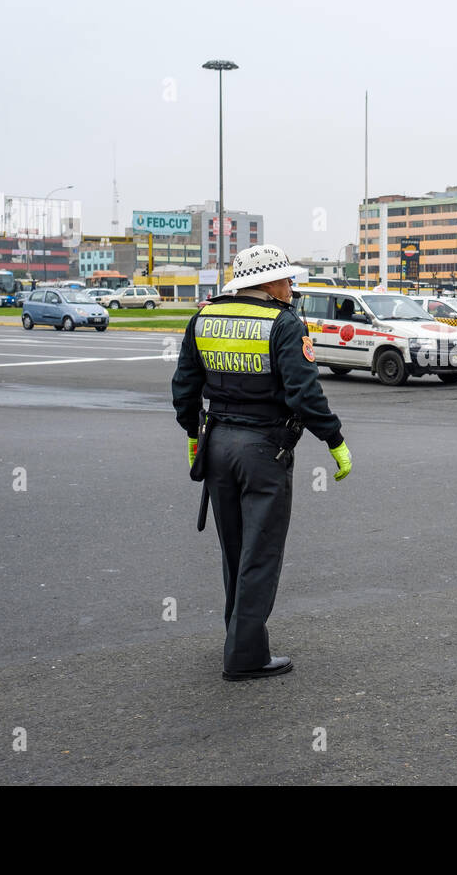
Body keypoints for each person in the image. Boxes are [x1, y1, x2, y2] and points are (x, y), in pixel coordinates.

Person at [171, 244, 352, 681]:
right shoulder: (284, 323)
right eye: (286, 279)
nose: (291, 286)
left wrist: (194, 435)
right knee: (261, 551)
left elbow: (184, 387)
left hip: (217, 446)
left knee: (234, 550)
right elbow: (304, 394)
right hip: (263, 450)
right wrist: (335, 439)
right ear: (265, 283)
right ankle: (246, 654)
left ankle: (236, 634)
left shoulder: (205, 316)